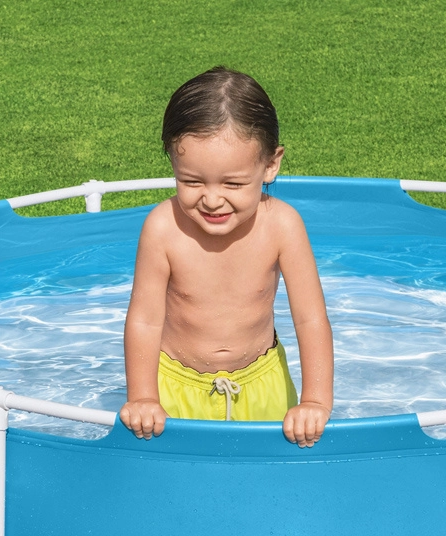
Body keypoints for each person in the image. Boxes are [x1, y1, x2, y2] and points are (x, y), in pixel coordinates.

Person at [119, 67, 333, 447]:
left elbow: (310, 318)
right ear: (173, 164)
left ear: (270, 165)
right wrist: (144, 397)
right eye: (191, 181)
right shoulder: (163, 228)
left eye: (233, 183)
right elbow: (145, 321)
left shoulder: (282, 226)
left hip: (263, 384)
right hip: (174, 388)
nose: (213, 199)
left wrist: (315, 401)